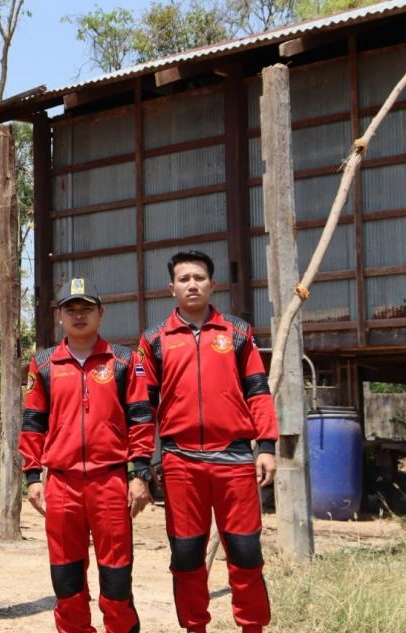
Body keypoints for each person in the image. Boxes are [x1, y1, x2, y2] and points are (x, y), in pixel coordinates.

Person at [138, 250, 277, 633]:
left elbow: (258, 391)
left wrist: (266, 446)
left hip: (234, 459)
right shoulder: (153, 340)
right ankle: (194, 626)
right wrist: (144, 462)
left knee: (246, 554)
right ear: (172, 289)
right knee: (186, 557)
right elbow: (143, 408)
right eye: (184, 279)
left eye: (199, 277)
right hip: (180, 462)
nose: (192, 284)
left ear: (213, 285)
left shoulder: (237, 332)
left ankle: (252, 626)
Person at [20, 277, 154, 633]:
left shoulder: (124, 360)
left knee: (116, 579)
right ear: (59, 316)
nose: (79, 316)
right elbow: (33, 423)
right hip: (61, 485)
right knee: (66, 582)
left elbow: (141, 418)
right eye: (71, 309)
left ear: (101, 313)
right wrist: (33, 477)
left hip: (109, 482)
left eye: (86, 309)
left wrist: (140, 473)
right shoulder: (44, 364)